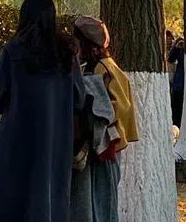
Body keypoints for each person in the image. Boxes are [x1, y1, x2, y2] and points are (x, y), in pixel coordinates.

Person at [0, 0, 85, 222]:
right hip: (55, 145)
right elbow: (79, 100)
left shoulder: (13, 51)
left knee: (10, 206)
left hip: (15, 144)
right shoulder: (67, 54)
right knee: (49, 203)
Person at [71, 16, 137, 222]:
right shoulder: (95, 66)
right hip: (100, 149)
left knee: (104, 202)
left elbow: (119, 106)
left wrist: (95, 122)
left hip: (105, 148)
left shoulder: (104, 68)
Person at [168, 34, 185, 129]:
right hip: (178, 86)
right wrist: (176, 47)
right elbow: (170, 59)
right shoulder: (179, 51)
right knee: (176, 111)